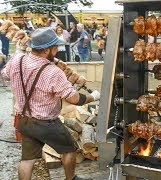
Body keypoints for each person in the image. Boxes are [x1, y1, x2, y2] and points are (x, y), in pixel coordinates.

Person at [1, 27, 100, 180]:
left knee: (27, 160)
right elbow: (73, 98)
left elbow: (5, 75)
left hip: (24, 120)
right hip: (46, 123)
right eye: (56, 47)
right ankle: (70, 178)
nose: (57, 50)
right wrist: (92, 97)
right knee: (69, 149)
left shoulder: (17, 60)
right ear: (47, 50)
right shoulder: (53, 72)